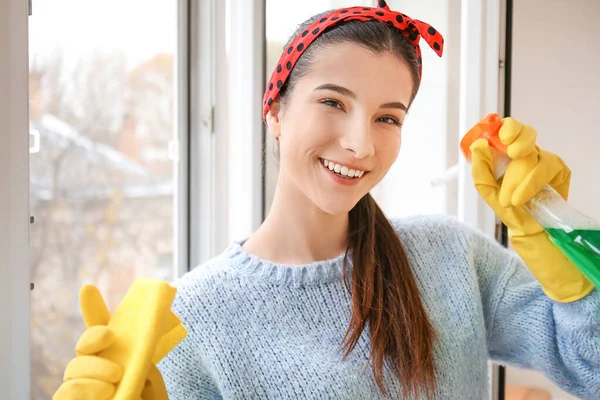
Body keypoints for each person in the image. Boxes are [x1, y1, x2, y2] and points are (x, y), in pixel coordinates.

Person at [53, 2, 600, 399]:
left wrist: (573, 253)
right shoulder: (194, 319)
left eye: (388, 117)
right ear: (276, 112)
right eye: (333, 102)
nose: (361, 143)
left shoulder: (449, 255)